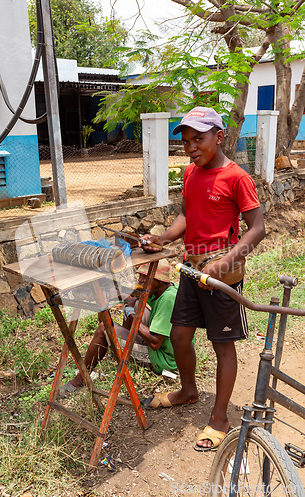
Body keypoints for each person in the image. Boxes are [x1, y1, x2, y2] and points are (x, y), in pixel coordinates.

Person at [140, 106, 265, 452]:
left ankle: (221, 418)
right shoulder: (191, 174)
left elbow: (257, 229)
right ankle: (188, 390)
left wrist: (225, 260)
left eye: (199, 138)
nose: (191, 146)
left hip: (222, 274)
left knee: (222, 346)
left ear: (219, 136)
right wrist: (164, 238)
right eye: (186, 141)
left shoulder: (236, 177)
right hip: (192, 269)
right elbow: (186, 213)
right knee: (180, 335)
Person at [59, 259, 179, 397]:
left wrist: (132, 315)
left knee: (104, 328)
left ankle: (80, 380)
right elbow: (134, 296)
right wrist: (121, 294)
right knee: (133, 300)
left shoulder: (168, 299)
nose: (139, 280)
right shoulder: (164, 290)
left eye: (144, 277)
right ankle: (118, 346)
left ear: (159, 280)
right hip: (164, 346)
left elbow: (155, 342)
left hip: (164, 360)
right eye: (139, 276)